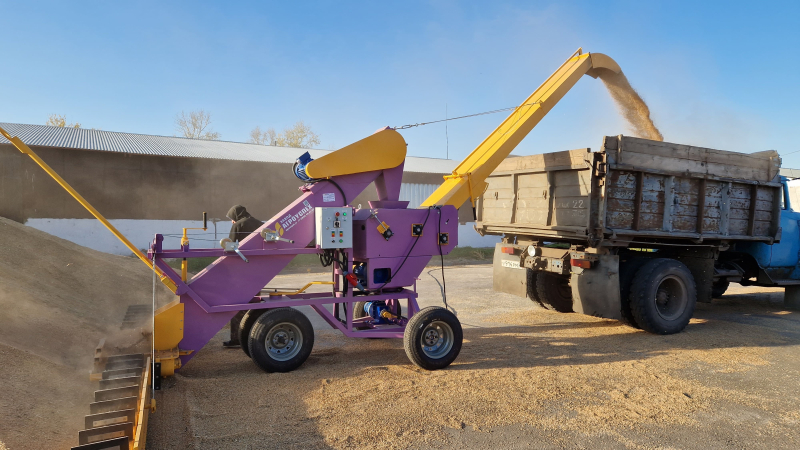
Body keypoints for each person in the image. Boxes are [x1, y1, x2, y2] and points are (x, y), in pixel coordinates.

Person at [223, 205, 263, 348]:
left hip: (241, 270)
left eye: (231, 218)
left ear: (235, 216)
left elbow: (230, 247)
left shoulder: (238, 225)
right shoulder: (260, 223)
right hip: (259, 270)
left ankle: (236, 339)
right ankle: (254, 337)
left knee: (238, 304)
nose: (231, 221)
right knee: (254, 303)